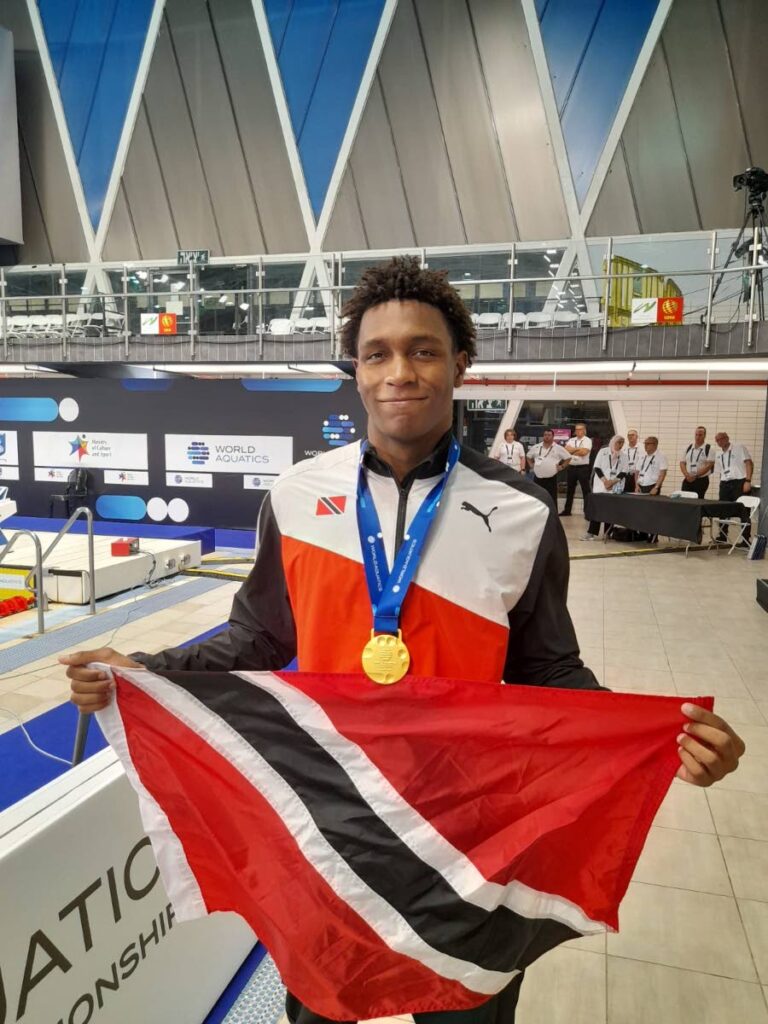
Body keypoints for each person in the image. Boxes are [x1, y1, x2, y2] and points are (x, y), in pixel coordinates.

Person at [62, 257, 744, 1024]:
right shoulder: (297, 495)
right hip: (328, 819)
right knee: (319, 1012)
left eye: (423, 350)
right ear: (354, 371)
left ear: (461, 364)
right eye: (377, 353)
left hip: (469, 831)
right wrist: (146, 672)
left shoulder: (521, 512)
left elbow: (549, 667)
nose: (400, 372)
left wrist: (658, 740)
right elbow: (254, 638)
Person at [584, 435, 629, 539]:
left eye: (622, 443)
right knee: (597, 509)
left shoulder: (624, 456)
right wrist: (605, 482)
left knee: (610, 510)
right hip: (601, 485)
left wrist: (612, 482)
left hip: (614, 486)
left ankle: (607, 533)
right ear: (613, 442)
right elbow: (597, 468)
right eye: (619, 442)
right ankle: (591, 533)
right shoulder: (603, 451)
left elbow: (624, 472)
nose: (620, 445)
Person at [714, 432, 754, 545]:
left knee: (744, 510)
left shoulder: (739, 447)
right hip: (725, 483)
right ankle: (722, 536)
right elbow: (720, 471)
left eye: (721, 439)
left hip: (739, 482)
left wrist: (748, 480)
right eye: (717, 440)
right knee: (723, 509)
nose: (719, 442)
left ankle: (746, 539)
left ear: (727, 438)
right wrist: (721, 483)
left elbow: (749, 463)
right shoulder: (718, 454)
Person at [635, 436, 668, 543]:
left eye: (648, 443)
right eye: (645, 443)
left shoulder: (661, 456)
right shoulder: (642, 455)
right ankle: (642, 534)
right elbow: (637, 471)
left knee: (652, 512)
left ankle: (654, 536)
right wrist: (636, 485)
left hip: (652, 486)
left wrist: (656, 487)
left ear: (655, 444)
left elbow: (662, 473)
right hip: (641, 485)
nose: (645, 445)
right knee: (641, 512)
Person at [526, 429, 570, 506]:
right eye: (545, 435)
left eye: (549, 435)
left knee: (552, 498)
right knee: (537, 497)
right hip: (538, 477)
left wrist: (562, 466)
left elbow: (568, 458)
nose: (547, 437)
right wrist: (531, 464)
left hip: (551, 478)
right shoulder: (536, 447)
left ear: (553, 437)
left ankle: (552, 515)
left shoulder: (558, 448)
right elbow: (528, 456)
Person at [559, 423, 592, 516]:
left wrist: (572, 450)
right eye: (577, 429)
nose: (578, 431)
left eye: (580, 429)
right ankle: (567, 511)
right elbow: (565, 451)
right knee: (570, 490)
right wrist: (578, 449)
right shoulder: (571, 440)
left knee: (586, 490)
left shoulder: (587, 440)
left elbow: (584, 453)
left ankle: (588, 512)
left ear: (584, 430)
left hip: (583, 468)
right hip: (571, 467)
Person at [679, 426, 715, 497]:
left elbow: (708, 465)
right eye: (696, 435)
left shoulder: (709, 448)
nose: (698, 437)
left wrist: (695, 475)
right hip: (688, 478)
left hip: (701, 479)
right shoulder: (688, 447)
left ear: (705, 436)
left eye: (700, 435)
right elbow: (682, 463)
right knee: (684, 499)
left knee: (698, 500)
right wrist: (686, 475)